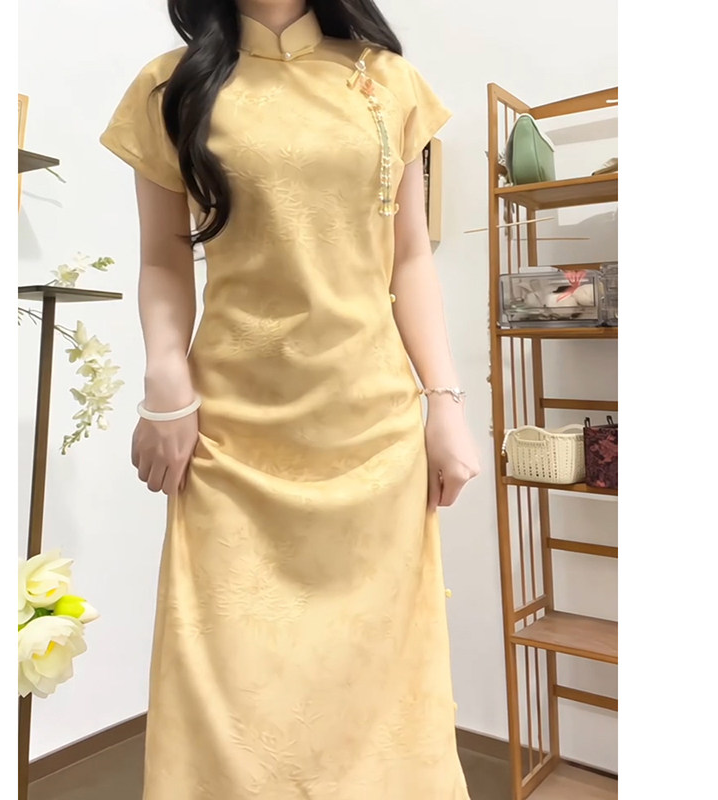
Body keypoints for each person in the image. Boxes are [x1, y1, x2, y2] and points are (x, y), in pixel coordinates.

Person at [100, 1, 479, 797]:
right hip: (232, 441)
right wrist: (165, 383)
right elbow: (162, 261)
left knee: (378, 694)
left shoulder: (389, 81)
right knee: (228, 692)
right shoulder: (169, 87)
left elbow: (410, 257)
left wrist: (444, 401)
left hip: (372, 436)